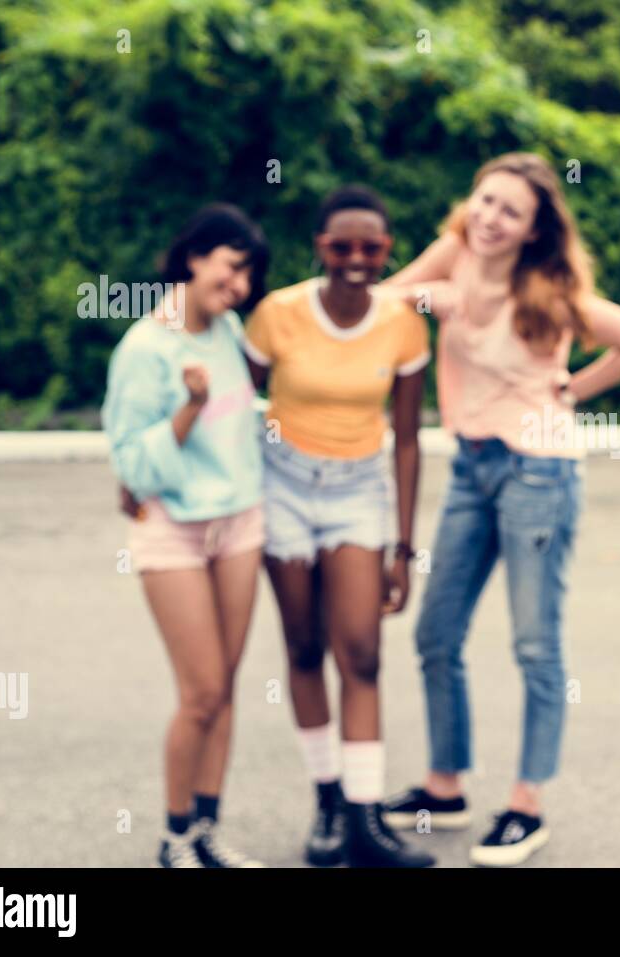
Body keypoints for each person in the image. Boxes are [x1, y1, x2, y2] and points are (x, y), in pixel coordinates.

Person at [376, 152, 620, 866]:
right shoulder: (453, 253)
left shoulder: (549, 291)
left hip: (540, 471)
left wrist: (571, 389)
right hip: (473, 465)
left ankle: (525, 804)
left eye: (510, 211)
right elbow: (385, 298)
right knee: (435, 633)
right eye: (484, 200)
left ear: (534, 230)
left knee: (535, 644)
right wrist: (428, 300)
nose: (490, 218)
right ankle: (445, 786)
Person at [241, 186, 434, 868]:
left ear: (387, 250)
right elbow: (238, 407)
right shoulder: (278, 313)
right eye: (341, 246)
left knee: (362, 653)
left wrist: (403, 549)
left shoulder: (403, 322)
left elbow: (407, 439)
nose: (356, 258)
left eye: (371, 247)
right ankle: (326, 803)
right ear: (320, 247)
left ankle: (365, 816)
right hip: (285, 484)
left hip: (358, 490)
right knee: (301, 648)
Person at [102, 204, 270, 868]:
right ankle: (173, 838)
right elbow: (134, 467)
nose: (238, 288)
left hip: (239, 522)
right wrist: (190, 405)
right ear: (195, 256)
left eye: (247, 278)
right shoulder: (145, 348)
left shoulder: (228, 332)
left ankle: (206, 830)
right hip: (172, 531)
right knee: (199, 692)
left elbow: (243, 427)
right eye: (231, 268)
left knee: (225, 686)